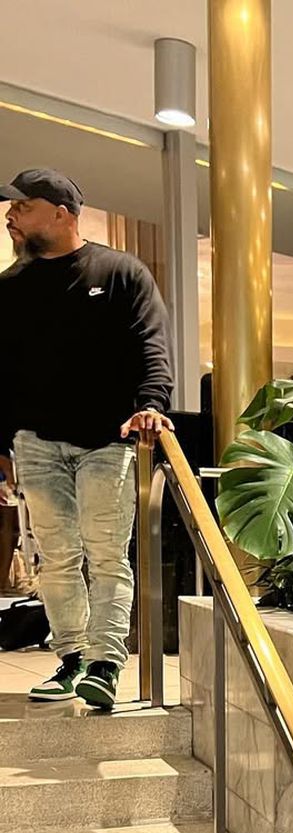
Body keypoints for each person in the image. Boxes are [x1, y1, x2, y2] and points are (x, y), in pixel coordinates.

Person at [0, 168, 173, 708]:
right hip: (36, 442)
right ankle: (72, 658)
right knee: (55, 557)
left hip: (108, 439)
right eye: (10, 208)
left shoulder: (120, 272)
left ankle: (105, 663)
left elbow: (151, 345)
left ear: (61, 214)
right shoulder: (10, 286)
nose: (10, 216)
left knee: (105, 554)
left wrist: (152, 405)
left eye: (22, 207)